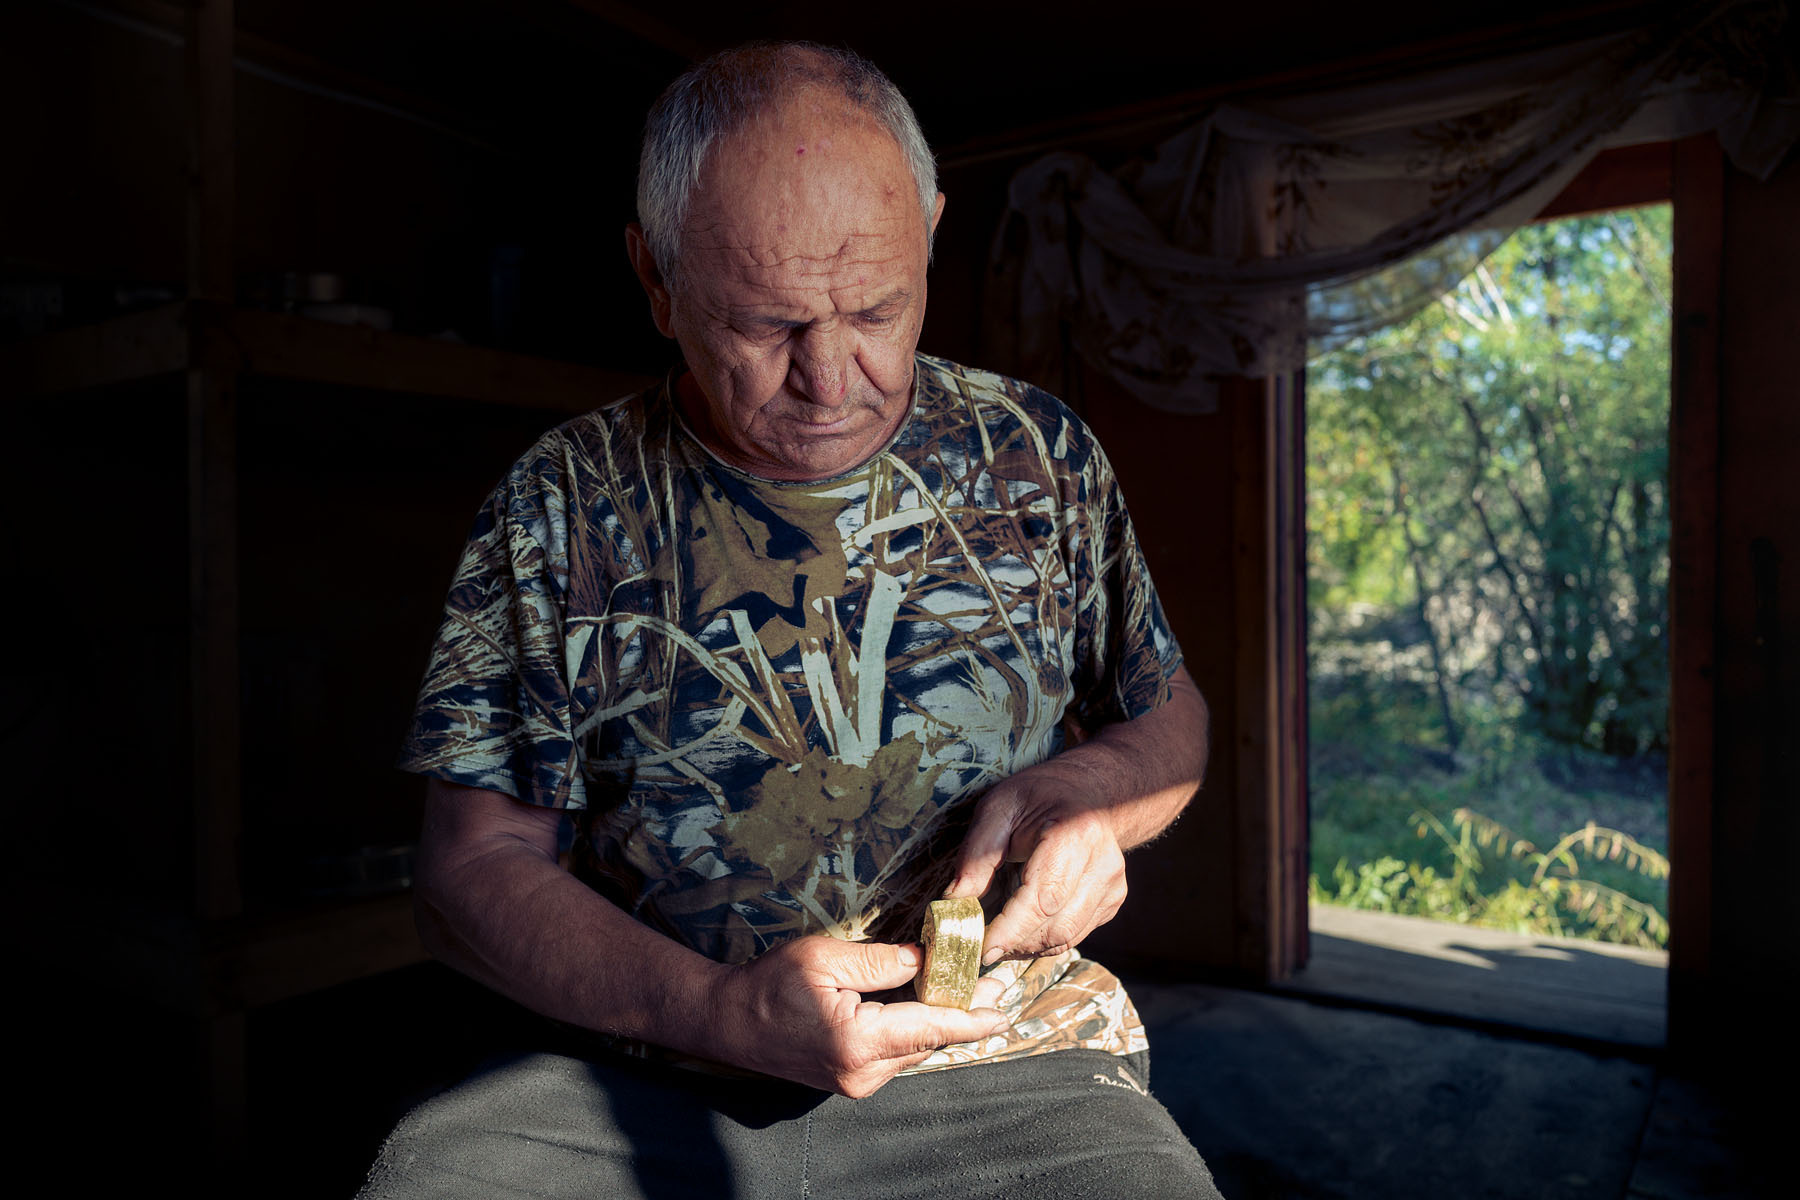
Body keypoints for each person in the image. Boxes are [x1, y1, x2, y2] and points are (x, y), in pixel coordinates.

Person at [359, 40, 1223, 1199]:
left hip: (995, 1060)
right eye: (766, 327)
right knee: (424, 1177)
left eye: (876, 309)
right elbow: (469, 877)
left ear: (928, 232)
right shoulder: (561, 503)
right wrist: (718, 1010)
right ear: (655, 281)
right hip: (641, 1057)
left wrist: (1098, 805)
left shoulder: (1038, 455)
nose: (833, 379)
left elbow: (1169, 714)